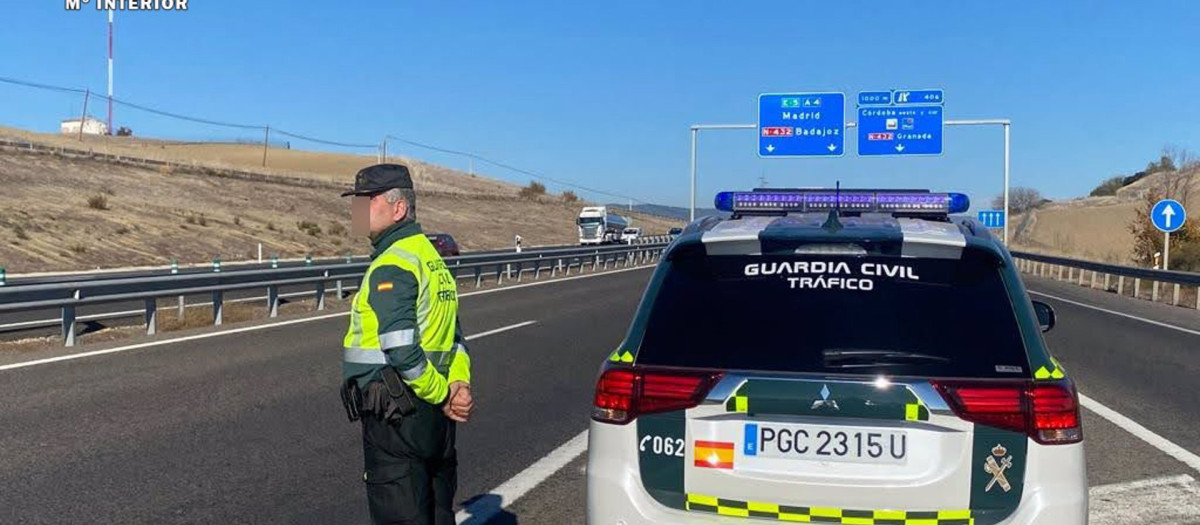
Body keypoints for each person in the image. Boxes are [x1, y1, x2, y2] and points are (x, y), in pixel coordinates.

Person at [338, 163, 474, 525]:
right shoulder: (432, 259)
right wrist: (457, 384)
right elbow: (454, 338)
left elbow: (400, 348)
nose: (359, 212)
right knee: (437, 511)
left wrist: (442, 394)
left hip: (399, 416)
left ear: (398, 208)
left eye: (368, 201)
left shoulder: (394, 262)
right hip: (435, 417)